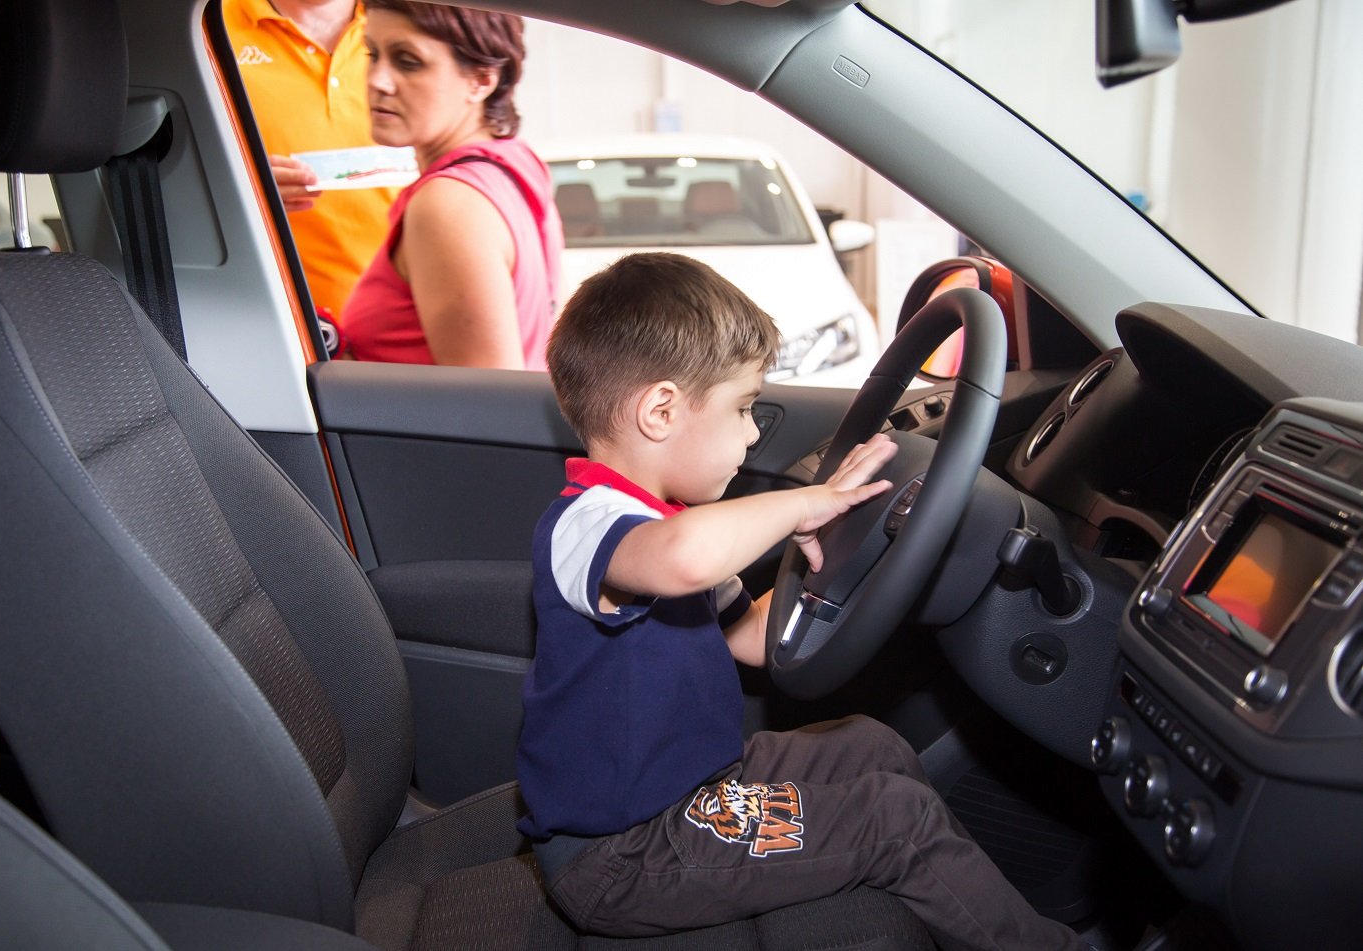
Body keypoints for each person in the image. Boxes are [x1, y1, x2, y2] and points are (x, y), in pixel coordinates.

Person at [516, 252, 1084, 950]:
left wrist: (846, 561)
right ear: (660, 410)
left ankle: (965, 910)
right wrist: (806, 502)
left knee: (871, 743)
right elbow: (685, 557)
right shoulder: (590, 523)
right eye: (742, 408)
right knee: (893, 819)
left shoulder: (668, 525)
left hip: (699, 784)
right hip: (624, 853)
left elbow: (753, 637)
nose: (753, 432)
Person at [337, 2, 562, 368]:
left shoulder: (449, 203)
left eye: (408, 61)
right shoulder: (514, 164)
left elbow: (483, 397)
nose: (377, 80)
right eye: (372, 54)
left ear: (481, 80)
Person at [223, 0, 398, 328]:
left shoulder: (411, 22)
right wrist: (233, 188)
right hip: (269, 328)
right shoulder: (204, 22)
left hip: (406, 326)